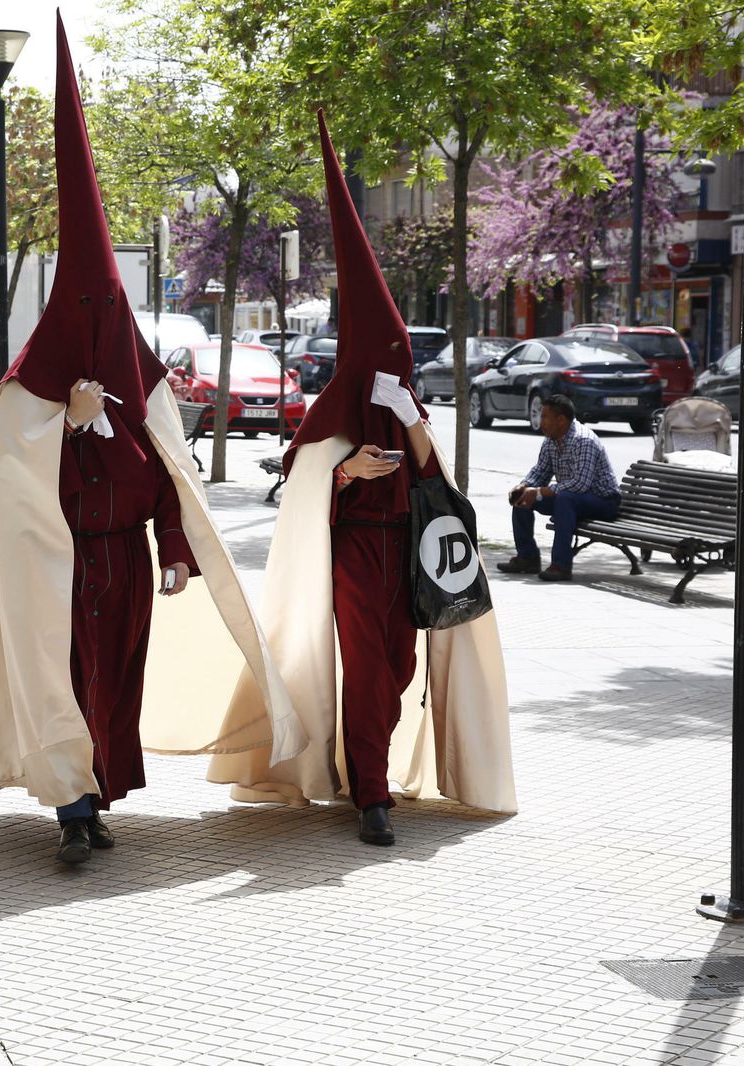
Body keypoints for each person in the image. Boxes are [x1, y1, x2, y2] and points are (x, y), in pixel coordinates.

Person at [0, 15, 300, 867]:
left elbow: (168, 476)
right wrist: (61, 426)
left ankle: (97, 795)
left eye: (110, 312)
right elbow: (12, 476)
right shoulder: (27, 390)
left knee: (117, 687)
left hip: (129, 567)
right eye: (88, 312)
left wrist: (176, 545)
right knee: (67, 681)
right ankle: (71, 805)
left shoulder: (141, 386)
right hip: (60, 569)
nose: (101, 326)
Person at [207, 111, 515, 846]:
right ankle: (372, 795)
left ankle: (363, 763)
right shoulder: (336, 403)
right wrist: (343, 470)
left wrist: (409, 419)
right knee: (369, 671)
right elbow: (302, 474)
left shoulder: (405, 401)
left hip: (406, 552)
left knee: (401, 668)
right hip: (354, 552)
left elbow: (436, 480)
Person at [496, 394, 622, 583]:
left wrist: (538, 492)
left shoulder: (583, 440)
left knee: (565, 498)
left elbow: (580, 484)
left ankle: (560, 566)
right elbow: (540, 472)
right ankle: (527, 557)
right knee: (523, 498)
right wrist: (524, 486)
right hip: (571, 499)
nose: (541, 421)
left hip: (603, 501)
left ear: (561, 420)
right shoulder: (551, 440)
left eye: (545, 417)